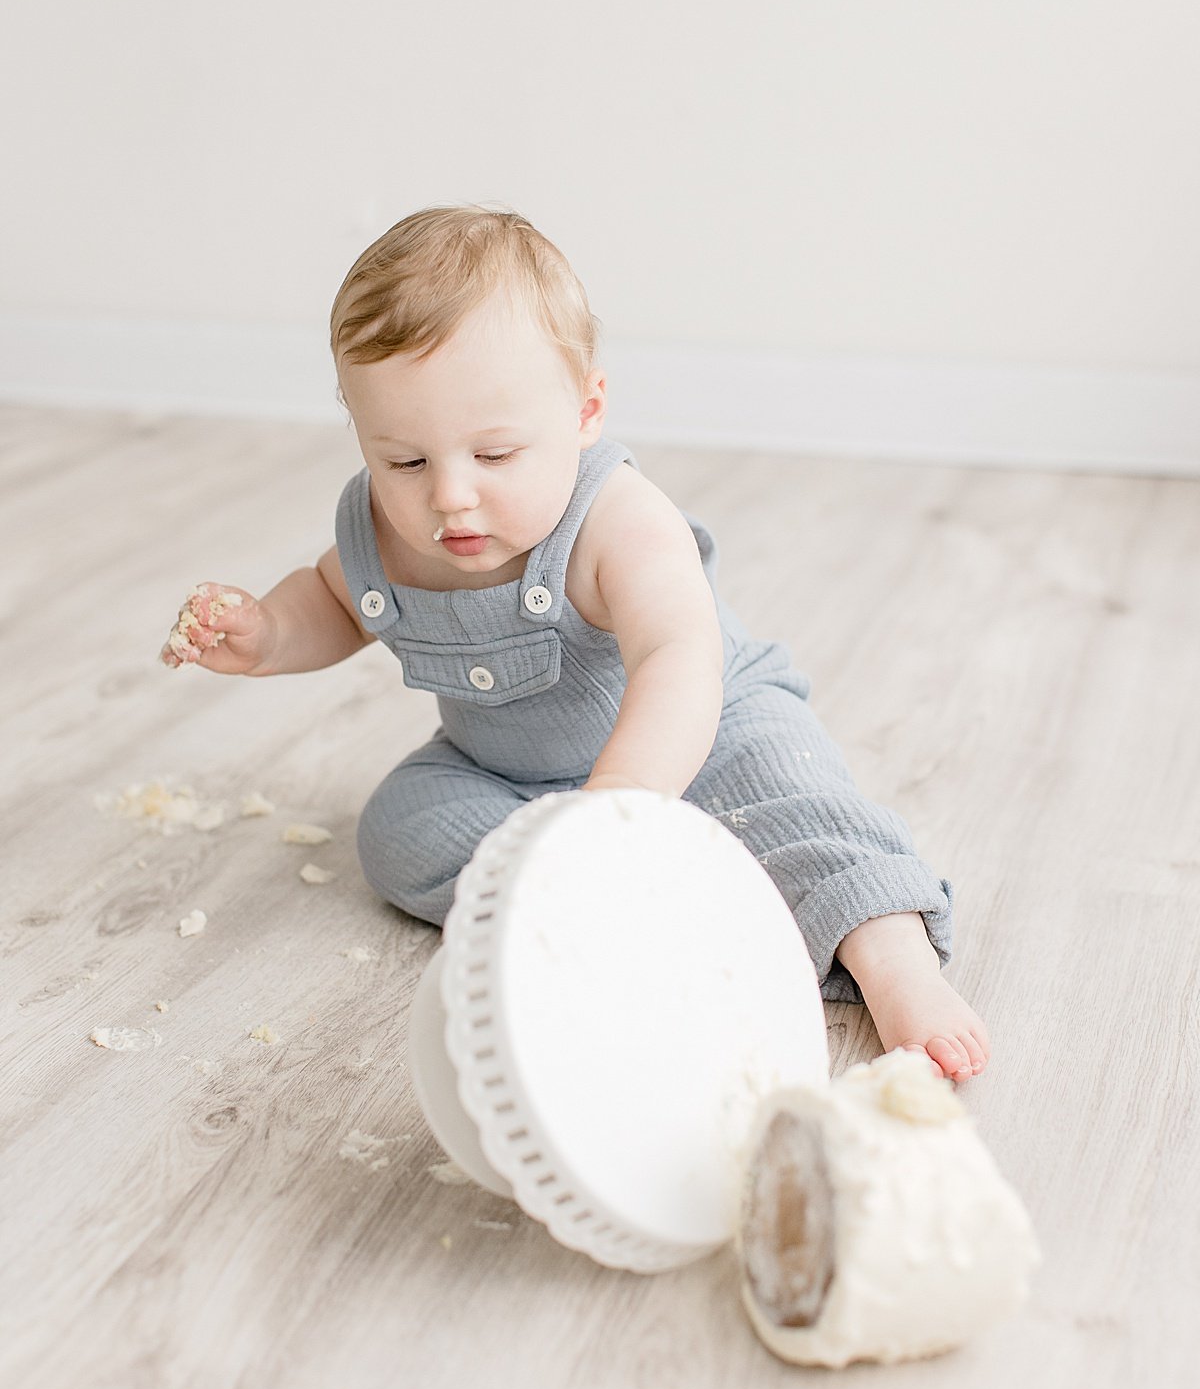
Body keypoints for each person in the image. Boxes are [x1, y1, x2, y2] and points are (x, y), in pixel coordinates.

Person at [160, 205, 990, 1084]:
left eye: (496, 453)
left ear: (585, 409)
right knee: (399, 828)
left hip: (707, 734)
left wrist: (626, 798)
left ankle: (894, 966)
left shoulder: (617, 521)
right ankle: (611, 911)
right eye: (403, 461)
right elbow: (335, 600)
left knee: (800, 810)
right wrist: (265, 633)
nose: (450, 497)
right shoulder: (387, 530)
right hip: (511, 777)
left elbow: (679, 655)